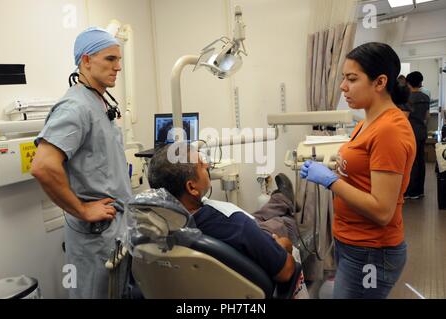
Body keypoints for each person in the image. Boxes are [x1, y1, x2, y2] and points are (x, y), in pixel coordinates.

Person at [300, 42, 416, 298]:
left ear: (380, 82)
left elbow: (382, 210)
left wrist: (330, 181)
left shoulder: (389, 130)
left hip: (371, 250)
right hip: (352, 243)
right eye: (343, 78)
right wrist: (334, 168)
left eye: (352, 79)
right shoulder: (367, 122)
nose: (343, 87)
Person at [31, 27, 132, 298]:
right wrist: (82, 210)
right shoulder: (75, 107)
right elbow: (43, 166)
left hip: (113, 232)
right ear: (86, 61)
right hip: (95, 237)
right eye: (110, 59)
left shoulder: (97, 101)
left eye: (119, 60)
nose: (118, 67)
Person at [147, 144, 296, 283]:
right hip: (252, 254)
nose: (206, 165)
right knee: (281, 222)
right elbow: (286, 271)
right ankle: (285, 202)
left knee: (259, 214)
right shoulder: (237, 225)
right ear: (192, 187)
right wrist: (283, 245)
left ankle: (280, 198)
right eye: (201, 164)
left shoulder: (151, 226)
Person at [405, 71, 431, 199]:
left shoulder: (408, 98)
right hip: (422, 131)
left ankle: (412, 191)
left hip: (411, 132)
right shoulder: (425, 97)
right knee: (421, 160)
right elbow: (427, 116)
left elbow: (405, 118)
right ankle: (420, 190)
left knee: (412, 162)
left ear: (408, 83)